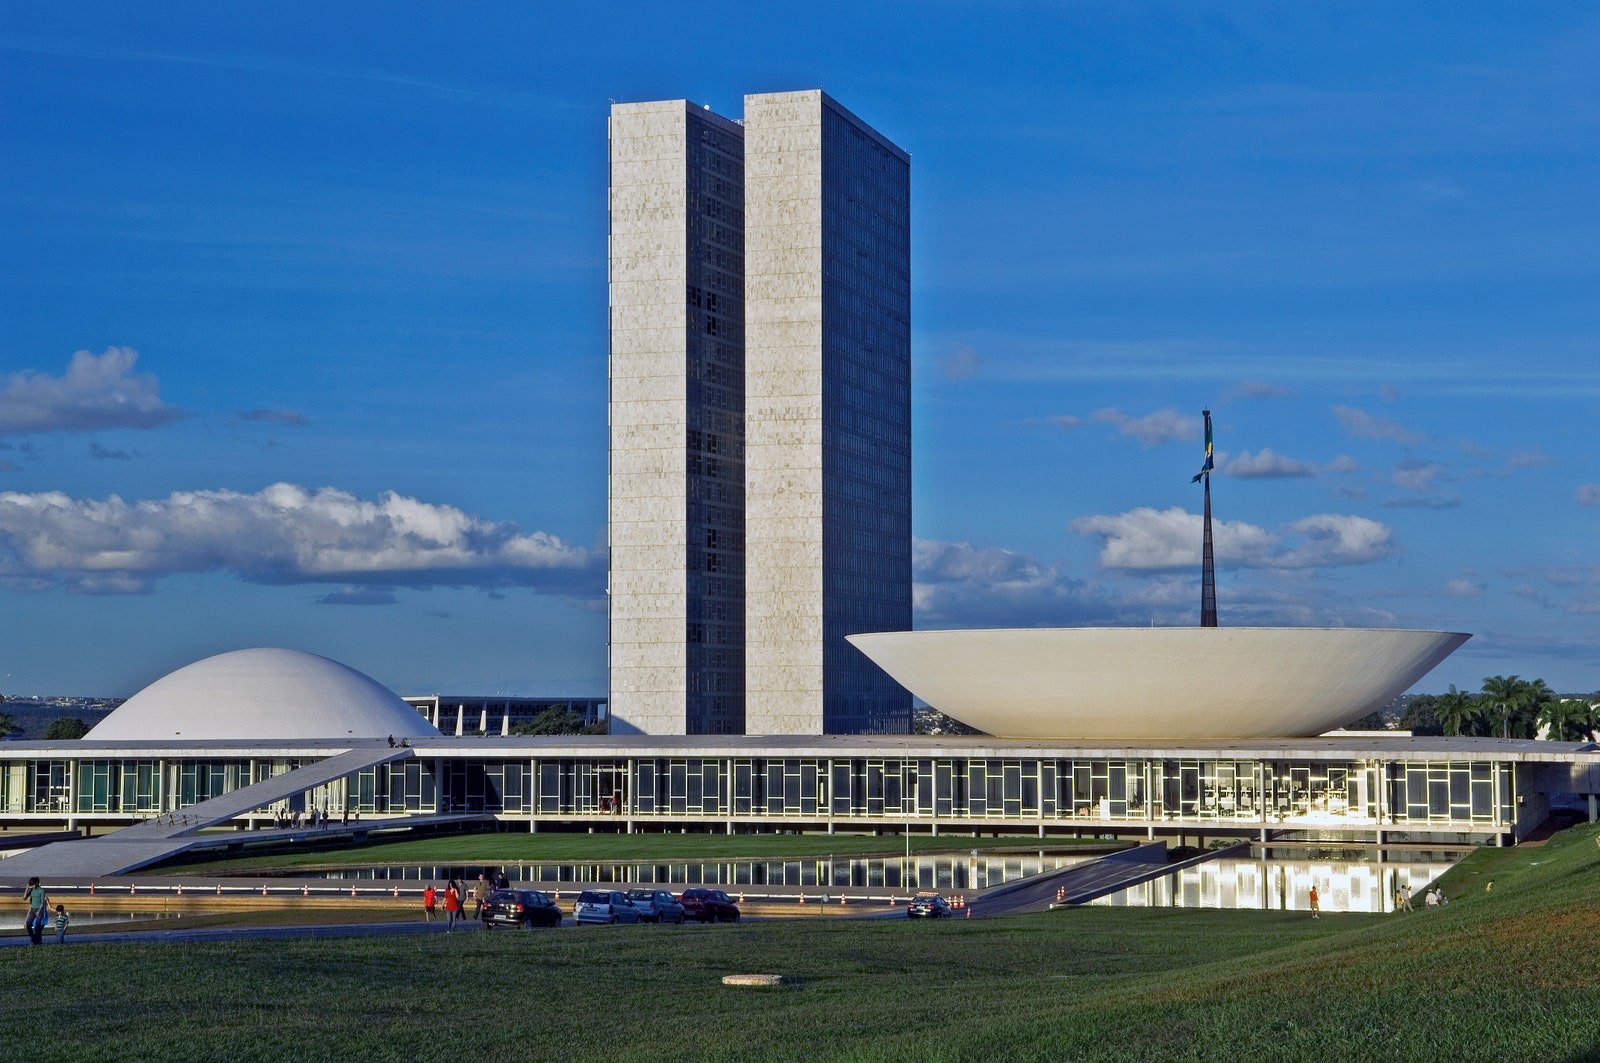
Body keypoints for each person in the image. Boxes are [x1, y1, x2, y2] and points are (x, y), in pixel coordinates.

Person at [23, 877, 49, 945]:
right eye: (31, 884)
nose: (32, 886)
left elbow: (42, 902)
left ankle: (37, 942)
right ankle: (33, 938)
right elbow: (24, 898)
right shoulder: (31, 890)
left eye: (33, 884)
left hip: (39, 910)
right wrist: (27, 888)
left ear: (37, 883)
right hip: (32, 909)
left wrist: (39, 911)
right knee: (28, 924)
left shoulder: (41, 890)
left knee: (37, 927)